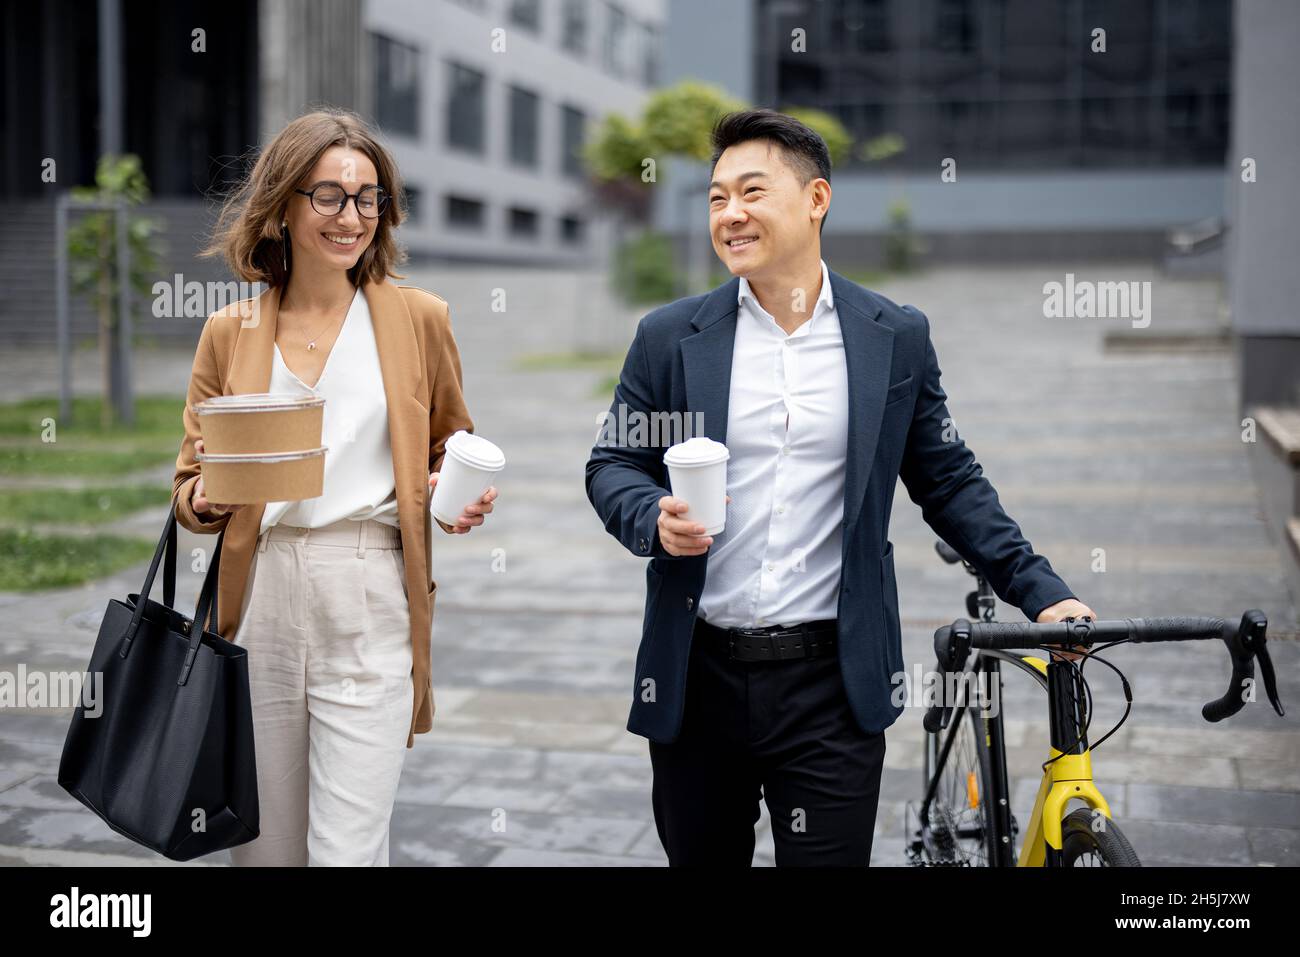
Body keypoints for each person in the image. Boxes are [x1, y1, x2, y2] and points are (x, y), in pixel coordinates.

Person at [585, 109, 1094, 866]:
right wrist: (650, 516)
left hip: (831, 682)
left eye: (751, 192)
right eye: (717, 197)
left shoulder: (891, 335)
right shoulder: (671, 336)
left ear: (815, 198)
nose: (730, 214)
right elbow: (612, 463)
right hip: (697, 679)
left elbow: (947, 476)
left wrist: (1040, 589)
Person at [172, 108, 498, 866]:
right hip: (260, 596)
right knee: (264, 849)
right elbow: (188, 484)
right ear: (284, 205)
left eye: (368, 197)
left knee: (348, 851)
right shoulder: (231, 331)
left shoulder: (418, 319)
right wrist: (206, 499)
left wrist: (456, 493)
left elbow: (452, 443)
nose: (350, 216)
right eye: (328, 195)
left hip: (369, 587)